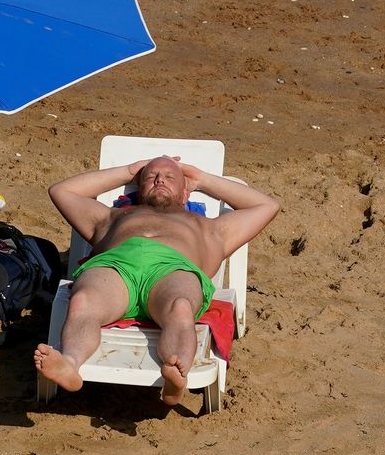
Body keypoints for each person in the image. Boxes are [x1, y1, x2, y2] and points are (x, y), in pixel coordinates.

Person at [34, 155, 279, 405]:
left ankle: (176, 371)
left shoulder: (209, 228)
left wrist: (202, 179)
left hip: (173, 270)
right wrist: (128, 171)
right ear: (140, 189)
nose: (159, 178)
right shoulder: (111, 218)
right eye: (150, 176)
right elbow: (61, 190)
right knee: (82, 302)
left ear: (185, 193)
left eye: (170, 177)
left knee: (180, 307)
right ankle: (70, 363)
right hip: (116, 267)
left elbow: (267, 206)